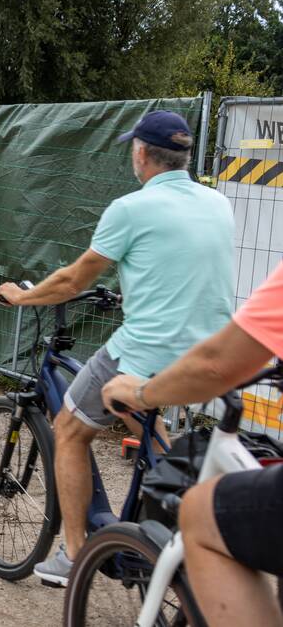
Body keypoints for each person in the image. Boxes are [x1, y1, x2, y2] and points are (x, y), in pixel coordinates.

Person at [0, 110, 236, 586]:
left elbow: (74, 279)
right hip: (213, 353)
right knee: (142, 413)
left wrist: (23, 294)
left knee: (68, 429)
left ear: (141, 154)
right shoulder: (217, 203)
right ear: (185, 156)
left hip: (147, 351)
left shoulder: (130, 208)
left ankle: (75, 553)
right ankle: (178, 501)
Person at [103, 261, 283, 627]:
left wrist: (139, 393)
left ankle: (70, 551)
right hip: (186, 338)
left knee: (200, 511)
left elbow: (216, 365)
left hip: (151, 353)